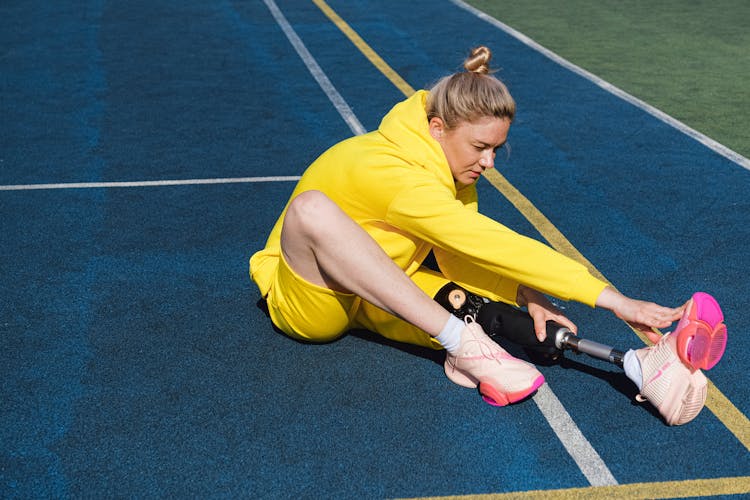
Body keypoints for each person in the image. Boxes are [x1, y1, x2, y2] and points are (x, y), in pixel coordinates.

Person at [250, 46, 724, 425]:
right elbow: (485, 240)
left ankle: (641, 366)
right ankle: (463, 345)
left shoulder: (446, 170)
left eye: (496, 148)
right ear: (437, 128)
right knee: (310, 210)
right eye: (480, 147)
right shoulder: (391, 171)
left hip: (383, 288)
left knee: (502, 315)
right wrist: (615, 300)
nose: (489, 162)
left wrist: (527, 293)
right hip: (312, 302)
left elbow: (457, 257)